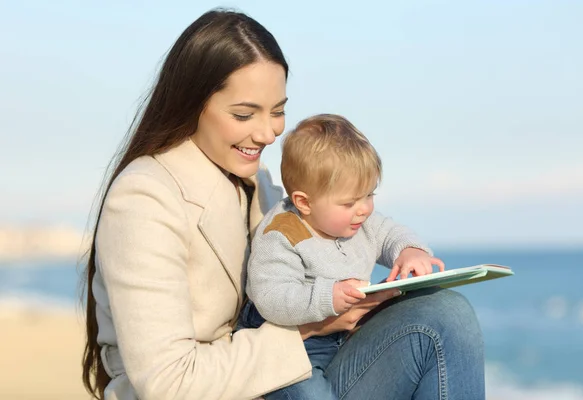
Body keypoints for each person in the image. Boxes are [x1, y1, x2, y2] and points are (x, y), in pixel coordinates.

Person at [80, 8, 486, 400]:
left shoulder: (261, 186)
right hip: (237, 385)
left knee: (445, 313)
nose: (268, 133)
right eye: (244, 114)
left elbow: (358, 235)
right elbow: (168, 382)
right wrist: (313, 324)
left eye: (278, 111)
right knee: (443, 322)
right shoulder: (144, 197)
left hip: (287, 373)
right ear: (192, 104)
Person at [240, 113, 446, 399]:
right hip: (294, 347)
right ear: (304, 202)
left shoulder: (360, 222)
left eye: (369, 195)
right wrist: (328, 296)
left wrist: (410, 251)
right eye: (349, 202)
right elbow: (272, 298)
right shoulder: (283, 233)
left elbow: (390, 234)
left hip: (344, 336)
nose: (363, 209)